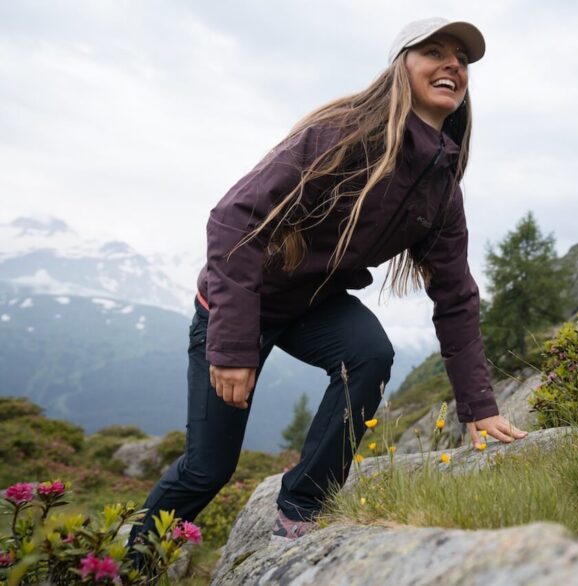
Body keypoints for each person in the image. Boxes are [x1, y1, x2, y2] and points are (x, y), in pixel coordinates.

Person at [129, 17, 528, 546]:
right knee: (207, 469)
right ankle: (126, 566)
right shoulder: (340, 135)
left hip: (314, 304)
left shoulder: (440, 190)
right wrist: (230, 345)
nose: (453, 64)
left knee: (370, 354)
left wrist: (478, 407)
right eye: (435, 51)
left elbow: (456, 296)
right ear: (400, 69)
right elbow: (233, 219)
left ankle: (303, 505)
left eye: (462, 59)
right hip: (240, 301)